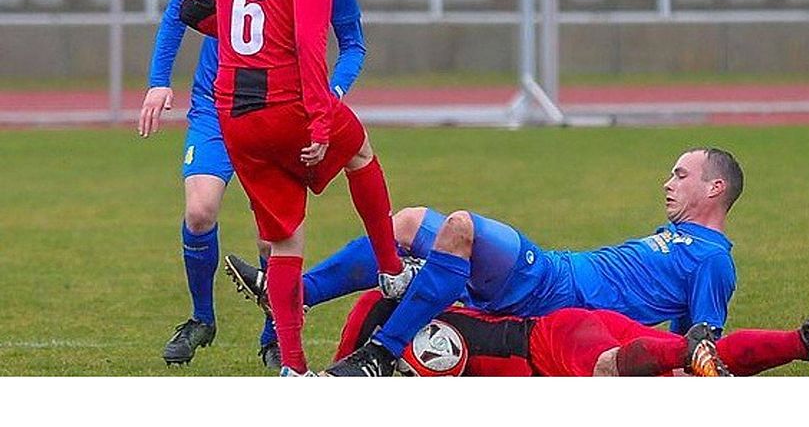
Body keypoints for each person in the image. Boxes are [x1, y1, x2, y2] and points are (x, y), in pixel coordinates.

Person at [138, 0, 373, 369]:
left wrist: (328, 98)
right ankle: (203, 318)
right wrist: (159, 81)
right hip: (215, 104)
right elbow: (183, 8)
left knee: (276, 232)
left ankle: (275, 337)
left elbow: (350, 42)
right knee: (200, 210)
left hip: (283, 106)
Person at [227, 147, 742, 376]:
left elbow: (697, 343)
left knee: (463, 228)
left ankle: (381, 354)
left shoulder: (713, 260)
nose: (667, 183)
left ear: (715, 188)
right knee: (404, 223)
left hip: (552, 291)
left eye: (680, 175)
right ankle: (292, 298)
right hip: (549, 275)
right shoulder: (675, 239)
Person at [178, 0, 410, 377]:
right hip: (288, 105)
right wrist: (321, 122)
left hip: (235, 116)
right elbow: (310, 46)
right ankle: (392, 269)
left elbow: (191, 8)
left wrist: (242, 40)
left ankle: (295, 369)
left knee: (286, 239)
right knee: (361, 153)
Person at [334, 290, 809, 377]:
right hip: (578, 322)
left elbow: (368, 311)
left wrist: (337, 368)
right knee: (684, 369)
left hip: (551, 346)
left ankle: (687, 346)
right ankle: (804, 340)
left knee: (616, 372)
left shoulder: (402, 330)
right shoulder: (417, 310)